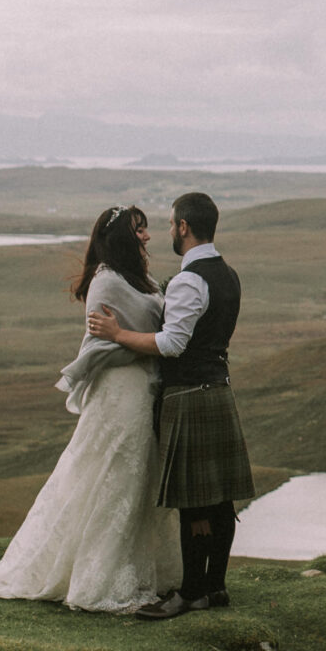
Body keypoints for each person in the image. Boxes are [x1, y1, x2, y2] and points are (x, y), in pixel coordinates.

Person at [0, 205, 179, 612]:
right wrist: (142, 338)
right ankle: (95, 578)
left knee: (134, 478)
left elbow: (138, 329)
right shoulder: (106, 281)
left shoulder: (134, 278)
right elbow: (102, 345)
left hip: (141, 388)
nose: (147, 237)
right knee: (112, 475)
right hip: (119, 390)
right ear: (123, 236)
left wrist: (140, 335)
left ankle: (137, 568)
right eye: (139, 230)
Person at [87, 190, 254, 618]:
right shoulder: (229, 274)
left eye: (169, 225)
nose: (166, 232)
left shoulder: (189, 279)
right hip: (218, 388)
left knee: (194, 501)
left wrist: (117, 334)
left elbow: (172, 344)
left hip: (189, 396)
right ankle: (214, 587)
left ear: (183, 227)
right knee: (219, 500)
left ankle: (191, 591)